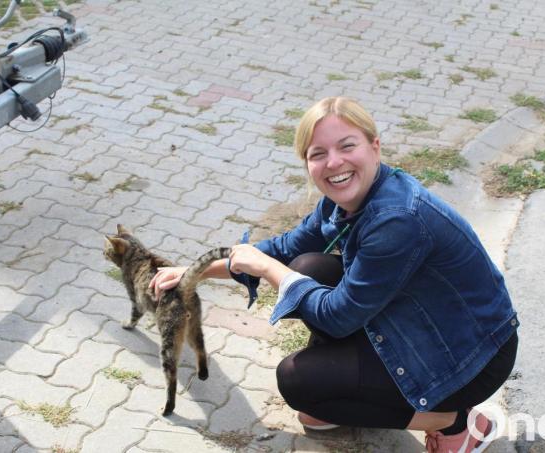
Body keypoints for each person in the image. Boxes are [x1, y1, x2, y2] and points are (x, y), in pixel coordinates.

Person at [149, 96, 519, 453]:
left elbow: (337, 317)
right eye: (318, 154)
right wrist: (195, 273)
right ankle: (340, 390)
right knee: (309, 266)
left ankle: (455, 423)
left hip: (469, 357)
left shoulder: (396, 219)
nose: (334, 163)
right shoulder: (343, 200)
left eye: (347, 146)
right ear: (307, 163)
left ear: (375, 147)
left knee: (298, 381)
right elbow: (284, 249)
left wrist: (268, 271)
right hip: (423, 323)